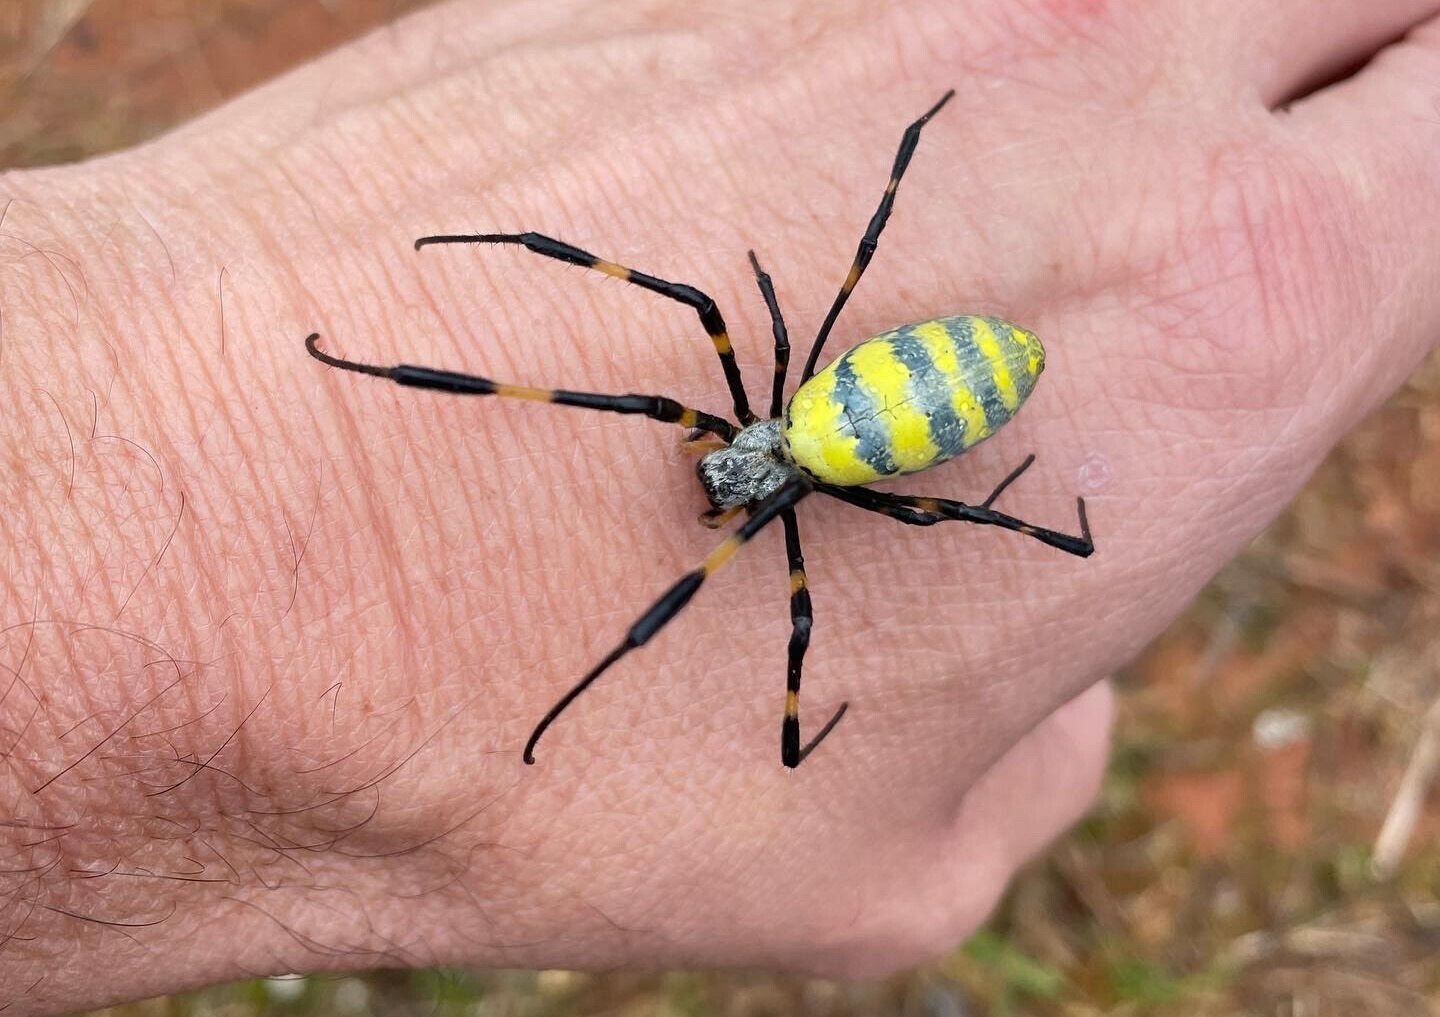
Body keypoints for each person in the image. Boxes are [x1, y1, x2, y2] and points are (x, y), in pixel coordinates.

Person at [2, 1, 1437, 1012]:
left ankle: (591, 642)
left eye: (734, 472)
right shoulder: (763, 434)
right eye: (733, 471)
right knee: (706, 385)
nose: (722, 480)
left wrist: (833, 665)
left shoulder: (777, 467)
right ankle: (407, 380)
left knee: (813, 522)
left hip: (894, 406)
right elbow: (668, 325)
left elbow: (777, 603)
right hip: (863, 408)